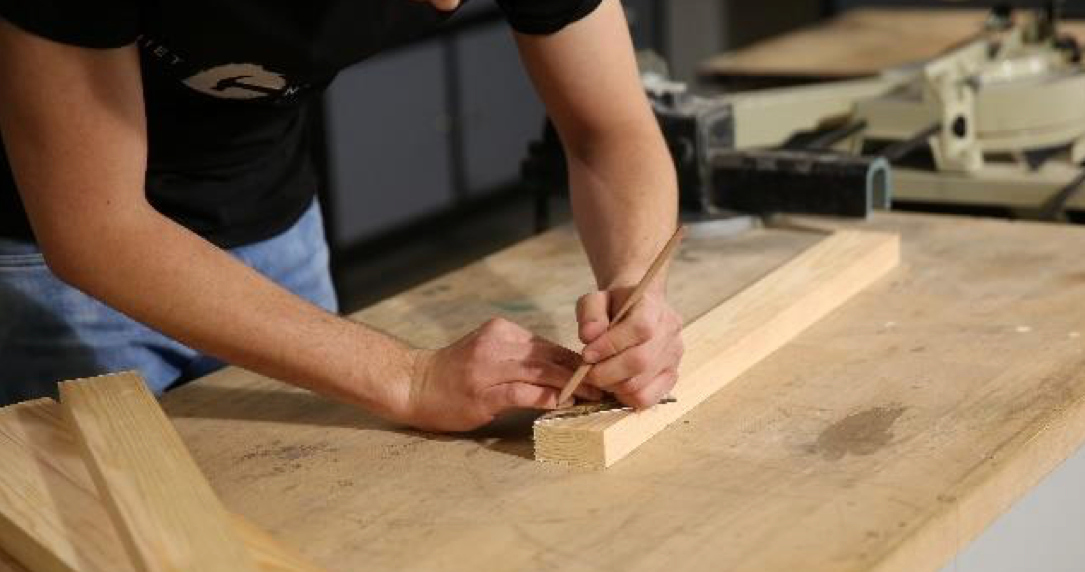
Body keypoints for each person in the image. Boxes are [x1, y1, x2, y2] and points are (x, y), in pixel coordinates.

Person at [0, 0, 682, 431]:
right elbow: (95, 229)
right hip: (48, 261)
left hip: (273, 217)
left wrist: (635, 293)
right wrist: (407, 378)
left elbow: (608, 132)